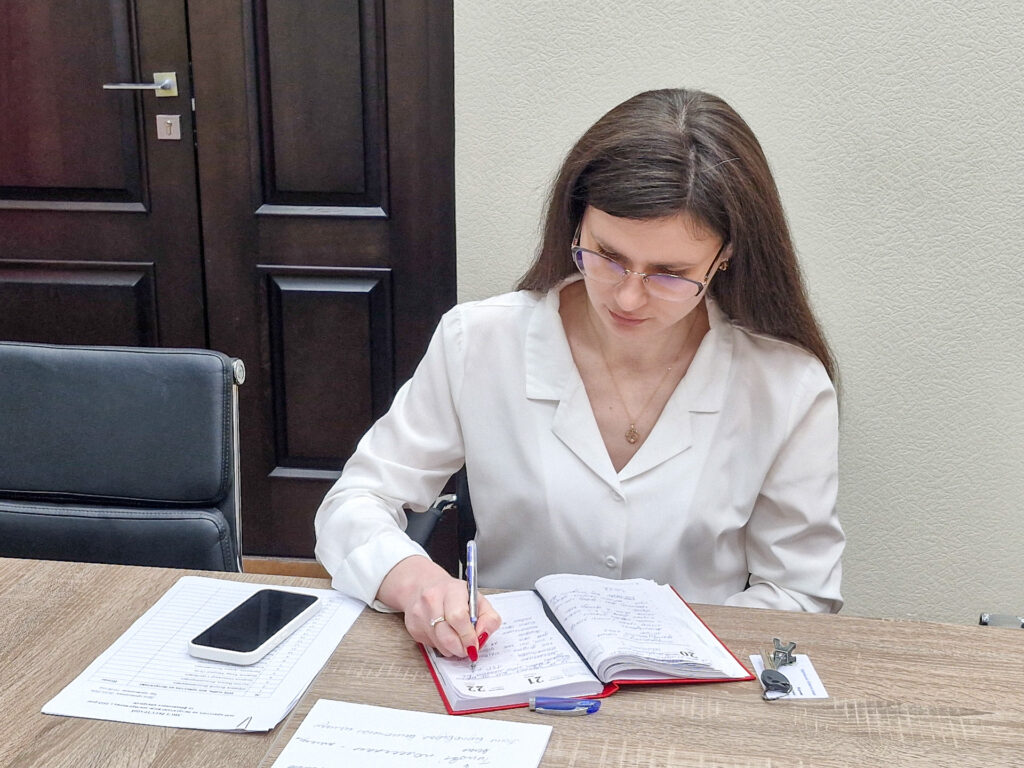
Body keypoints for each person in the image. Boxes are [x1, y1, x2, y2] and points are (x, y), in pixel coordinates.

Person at [314, 88, 845, 662]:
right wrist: (418, 581)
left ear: (726, 256)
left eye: (670, 273)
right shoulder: (479, 341)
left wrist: (663, 650)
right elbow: (356, 503)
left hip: (696, 678)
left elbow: (799, 592)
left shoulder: (787, 386)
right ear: (576, 225)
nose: (628, 297)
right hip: (506, 666)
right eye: (607, 256)